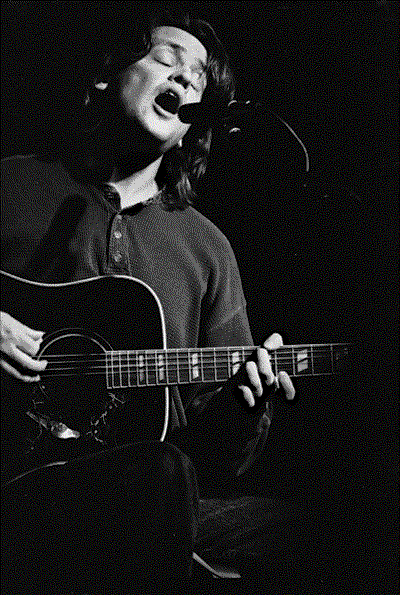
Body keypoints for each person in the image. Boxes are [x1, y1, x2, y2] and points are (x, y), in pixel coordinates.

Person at [1, 9, 295, 593]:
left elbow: (218, 459)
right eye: (167, 61)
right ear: (106, 76)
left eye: (197, 81)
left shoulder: (207, 248)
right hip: (20, 484)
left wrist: (244, 406)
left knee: (320, 525)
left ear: (191, 126)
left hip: (150, 494)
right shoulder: (12, 186)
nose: (184, 80)